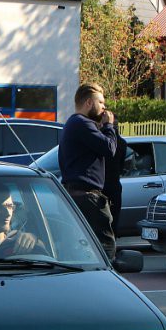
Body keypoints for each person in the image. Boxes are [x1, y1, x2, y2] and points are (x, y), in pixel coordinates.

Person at [58, 83, 118, 260]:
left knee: (81, 247)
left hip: (78, 194)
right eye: (100, 102)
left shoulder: (76, 123)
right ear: (89, 103)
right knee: (105, 244)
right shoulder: (81, 123)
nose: (104, 107)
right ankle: (108, 279)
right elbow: (109, 148)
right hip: (86, 197)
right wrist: (109, 126)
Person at [104, 127, 127, 233]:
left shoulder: (103, 143)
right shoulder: (122, 143)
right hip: (114, 185)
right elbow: (121, 167)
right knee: (113, 219)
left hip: (102, 186)